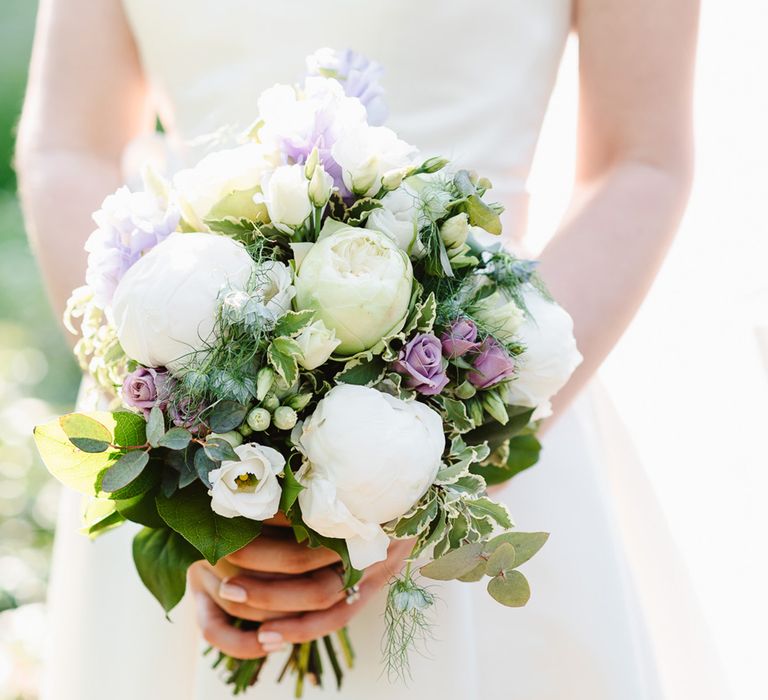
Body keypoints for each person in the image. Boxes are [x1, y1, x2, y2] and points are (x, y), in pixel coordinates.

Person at [16, 1, 720, 698]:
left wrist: (434, 472)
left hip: (483, 406)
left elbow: (641, 159)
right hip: (184, 409)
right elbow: (67, 146)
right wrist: (181, 448)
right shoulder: (181, 433)